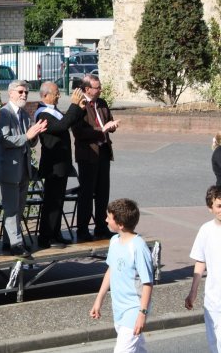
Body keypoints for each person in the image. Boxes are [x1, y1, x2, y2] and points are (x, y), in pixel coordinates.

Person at [90, 198, 153, 353]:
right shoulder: (114, 241)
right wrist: (99, 300)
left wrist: (142, 314)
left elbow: (147, 283)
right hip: (118, 307)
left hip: (134, 308)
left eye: (109, 217)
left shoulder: (138, 247)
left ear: (120, 224)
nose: (105, 220)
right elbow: (111, 271)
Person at [0, 80, 47, 257]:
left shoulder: (24, 115)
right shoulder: (3, 113)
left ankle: (8, 241)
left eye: (26, 92)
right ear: (10, 93)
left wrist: (35, 135)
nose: (24, 95)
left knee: (19, 206)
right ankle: (17, 244)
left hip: (24, 169)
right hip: (9, 168)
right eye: (20, 92)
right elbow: (4, 140)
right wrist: (27, 136)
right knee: (11, 208)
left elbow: (30, 142)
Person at [35, 82, 85, 249]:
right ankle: (46, 237)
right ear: (45, 95)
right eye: (56, 93)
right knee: (52, 202)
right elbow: (61, 126)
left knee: (58, 200)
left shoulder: (53, 110)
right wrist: (73, 105)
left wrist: (80, 108)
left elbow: (67, 122)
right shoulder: (42, 114)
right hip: (52, 166)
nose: (58, 95)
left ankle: (55, 233)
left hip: (61, 164)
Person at [72, 74, 120, 242]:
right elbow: (78, 132)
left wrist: (111, 126)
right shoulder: (79, 105)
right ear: (87, 89)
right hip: (88, 154)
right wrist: (101, 130)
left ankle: (101, 227)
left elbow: (108, 121)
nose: (100, 90)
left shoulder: (102, 103)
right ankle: (83, 230)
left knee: (102, 192)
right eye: (97, 87)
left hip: (104, 152)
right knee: (86, 193)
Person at [185, 185, 221, 352]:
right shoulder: (206, 230)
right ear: (210, 208)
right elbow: (200, 262)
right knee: (215, 345)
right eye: (219, 206)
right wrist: (193, 292)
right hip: (214, 300)